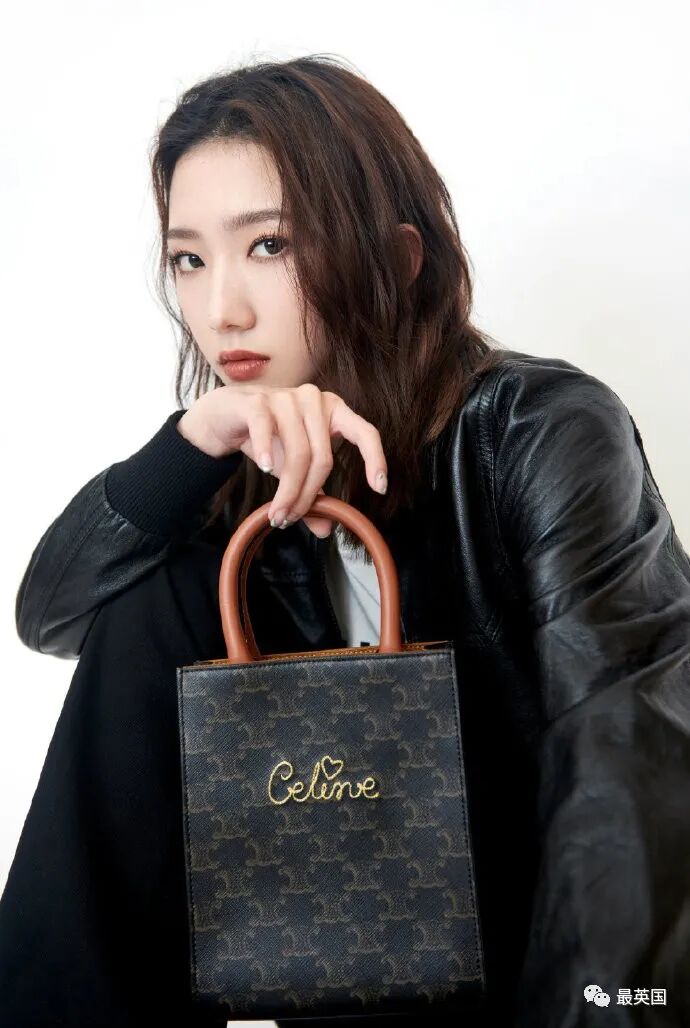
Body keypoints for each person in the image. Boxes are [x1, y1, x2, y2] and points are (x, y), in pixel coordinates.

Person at [3, 53, 690, 1028]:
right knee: (146, 596)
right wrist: (189, 445)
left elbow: (628, 776)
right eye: (189, 259)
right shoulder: (237, 471)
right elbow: (52, 616)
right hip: (344, 969)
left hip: (531, 974)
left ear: (398, 258)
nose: (221, 309)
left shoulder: (536, 431)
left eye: (269, 245)